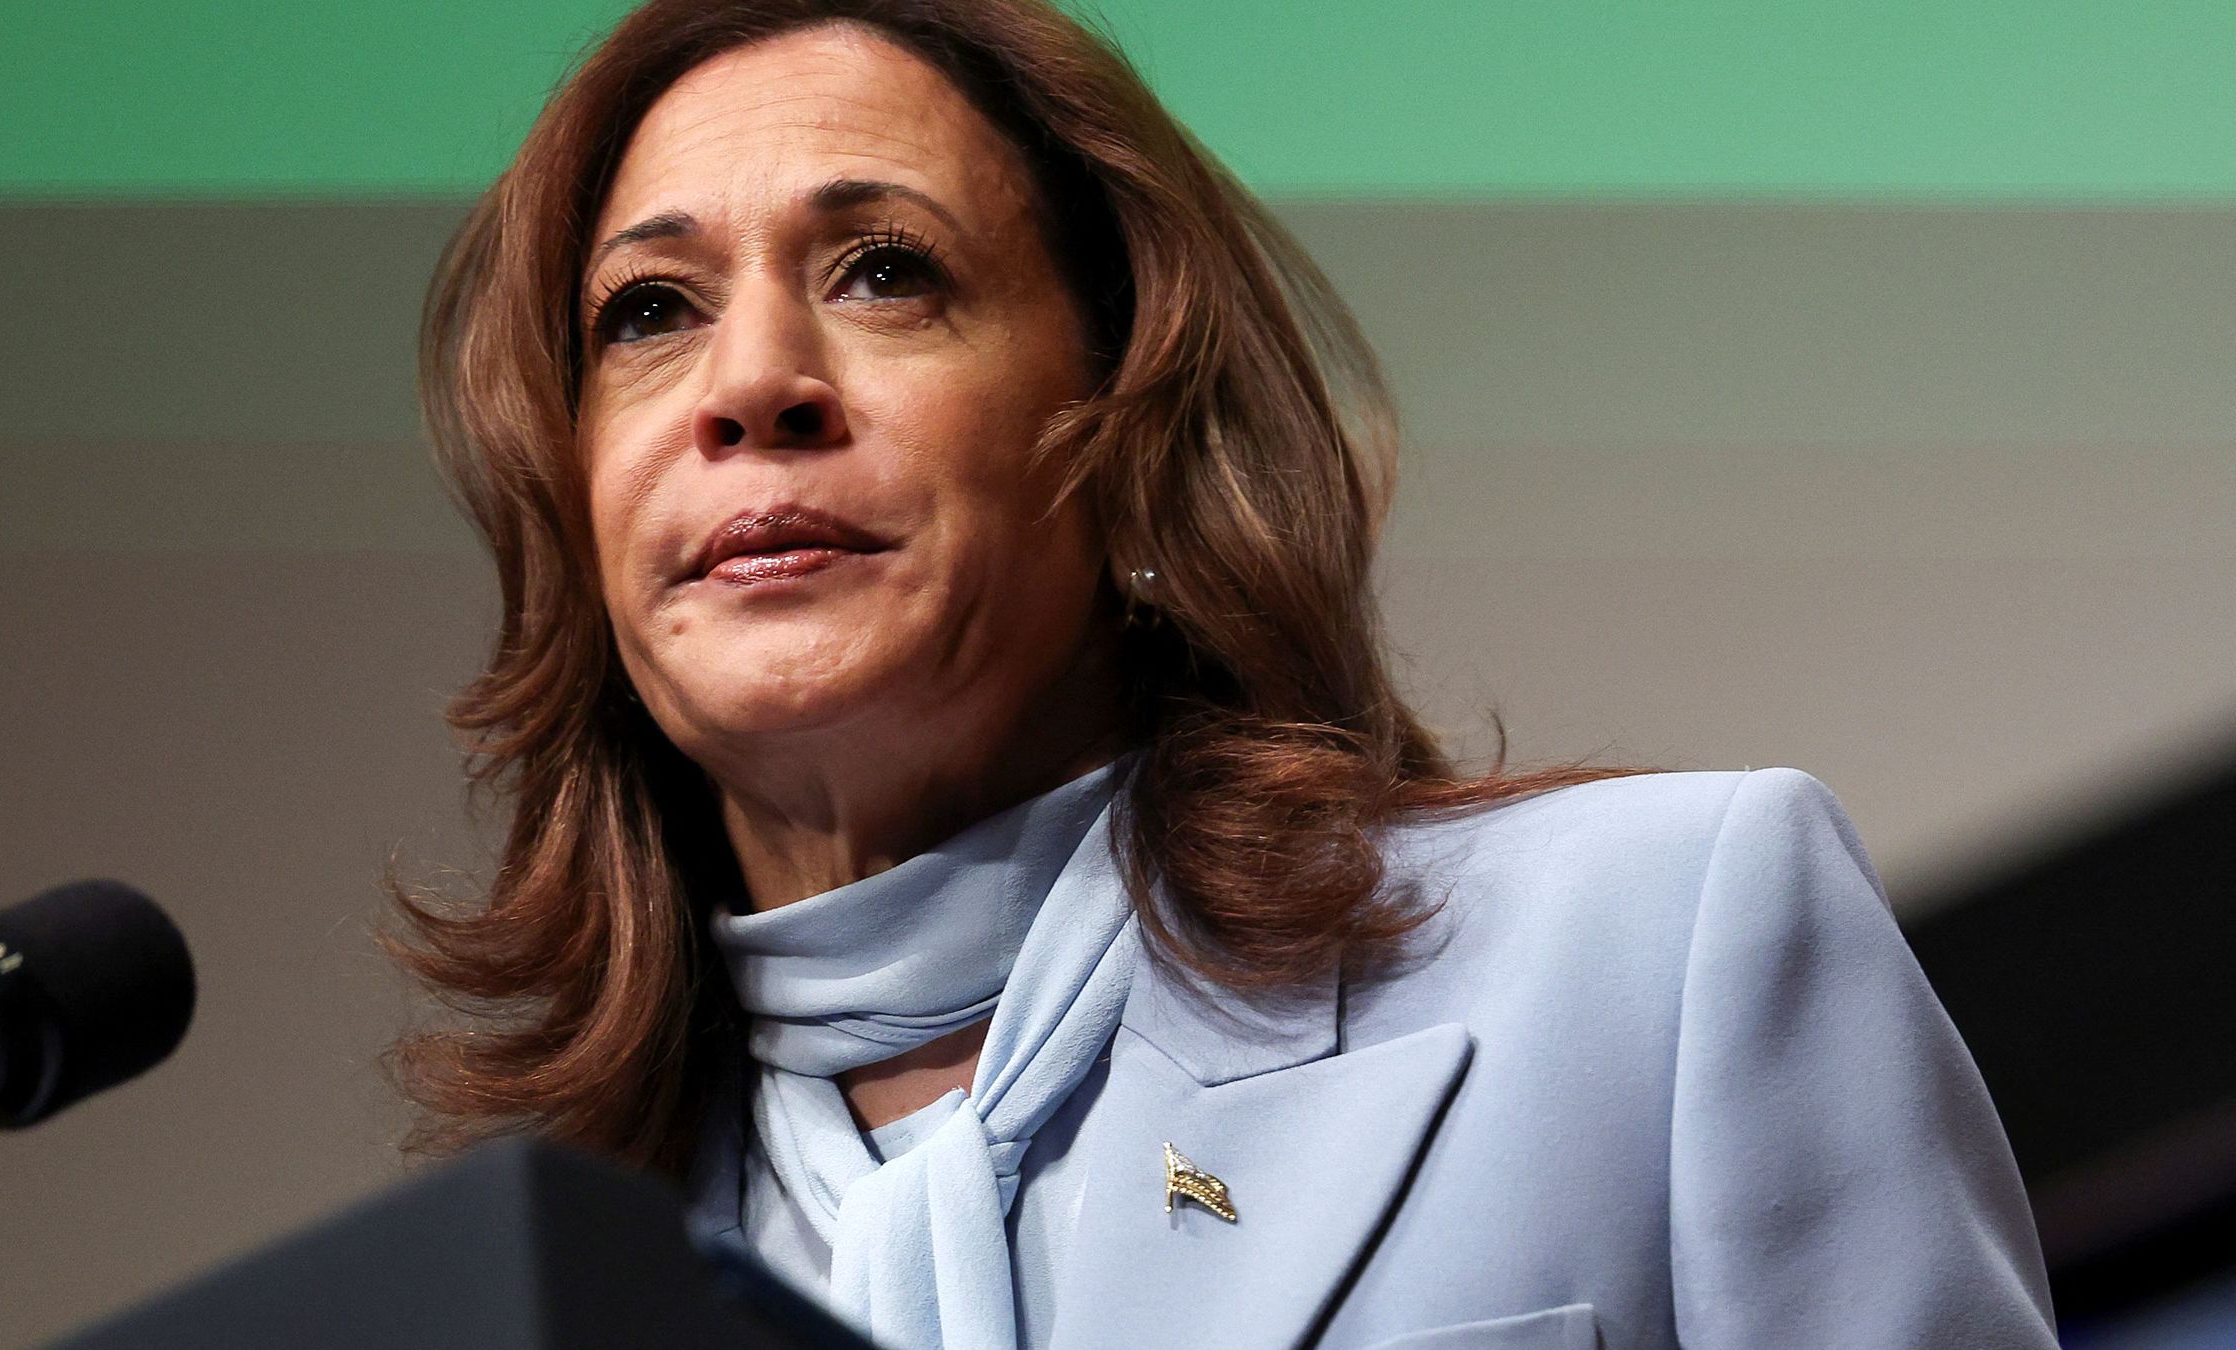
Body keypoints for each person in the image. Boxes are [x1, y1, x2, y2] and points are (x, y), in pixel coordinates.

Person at [389, 1, 2058, 1346]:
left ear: (1129, 440)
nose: (752, 383)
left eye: (886, 270)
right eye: (649, 311)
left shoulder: (1662, 944)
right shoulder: (527, 1296)